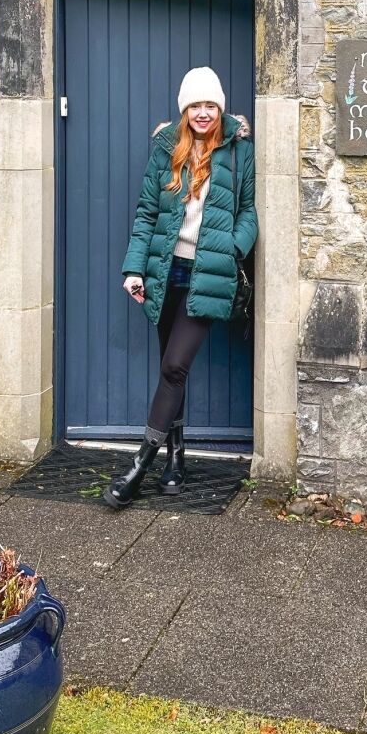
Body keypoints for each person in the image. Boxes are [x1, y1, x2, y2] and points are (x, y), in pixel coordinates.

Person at [102, 67, 258, 509]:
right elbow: (147, 212)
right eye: (195, 106)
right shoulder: (166, 147)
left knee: (173, 368)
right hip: (165, 272)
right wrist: (134, 269)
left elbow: (249, 211)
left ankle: (139, 465)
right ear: (185, 109)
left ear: (220, 108)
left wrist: (231, 247)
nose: (203, 113)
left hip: (207, 274)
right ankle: (176, 458)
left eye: (210, 105)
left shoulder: (239, 150)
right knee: (173, 371)